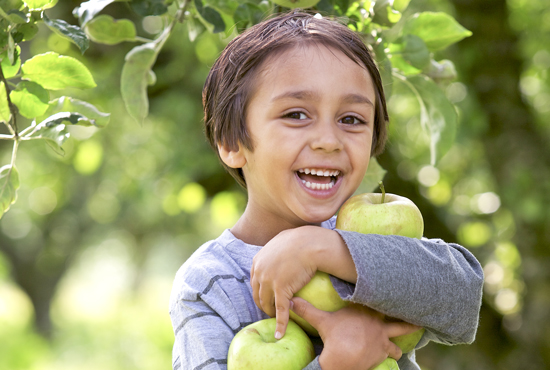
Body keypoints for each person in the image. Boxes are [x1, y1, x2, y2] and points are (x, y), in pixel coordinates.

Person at [169, 11, 484, 370]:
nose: (328, 141)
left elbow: (463, 299)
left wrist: (324, 248)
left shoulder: (365, 240)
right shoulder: (210, 283)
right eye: (296, 115)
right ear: (231, 141)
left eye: (351, 119)